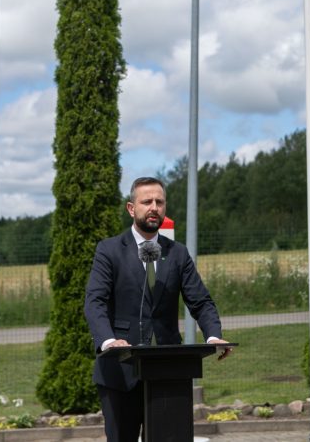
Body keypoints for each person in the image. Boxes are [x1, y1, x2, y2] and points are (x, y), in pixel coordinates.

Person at [84, 176, 232, 442]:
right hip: (120, 373)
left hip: (167, 373)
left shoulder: (177, 253)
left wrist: (213, 335)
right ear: (132, 208)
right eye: (147, 201)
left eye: (159, 202)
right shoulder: (109, 251)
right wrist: (108, 340)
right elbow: (95, 301)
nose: (154, 207)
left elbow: (200, 301)